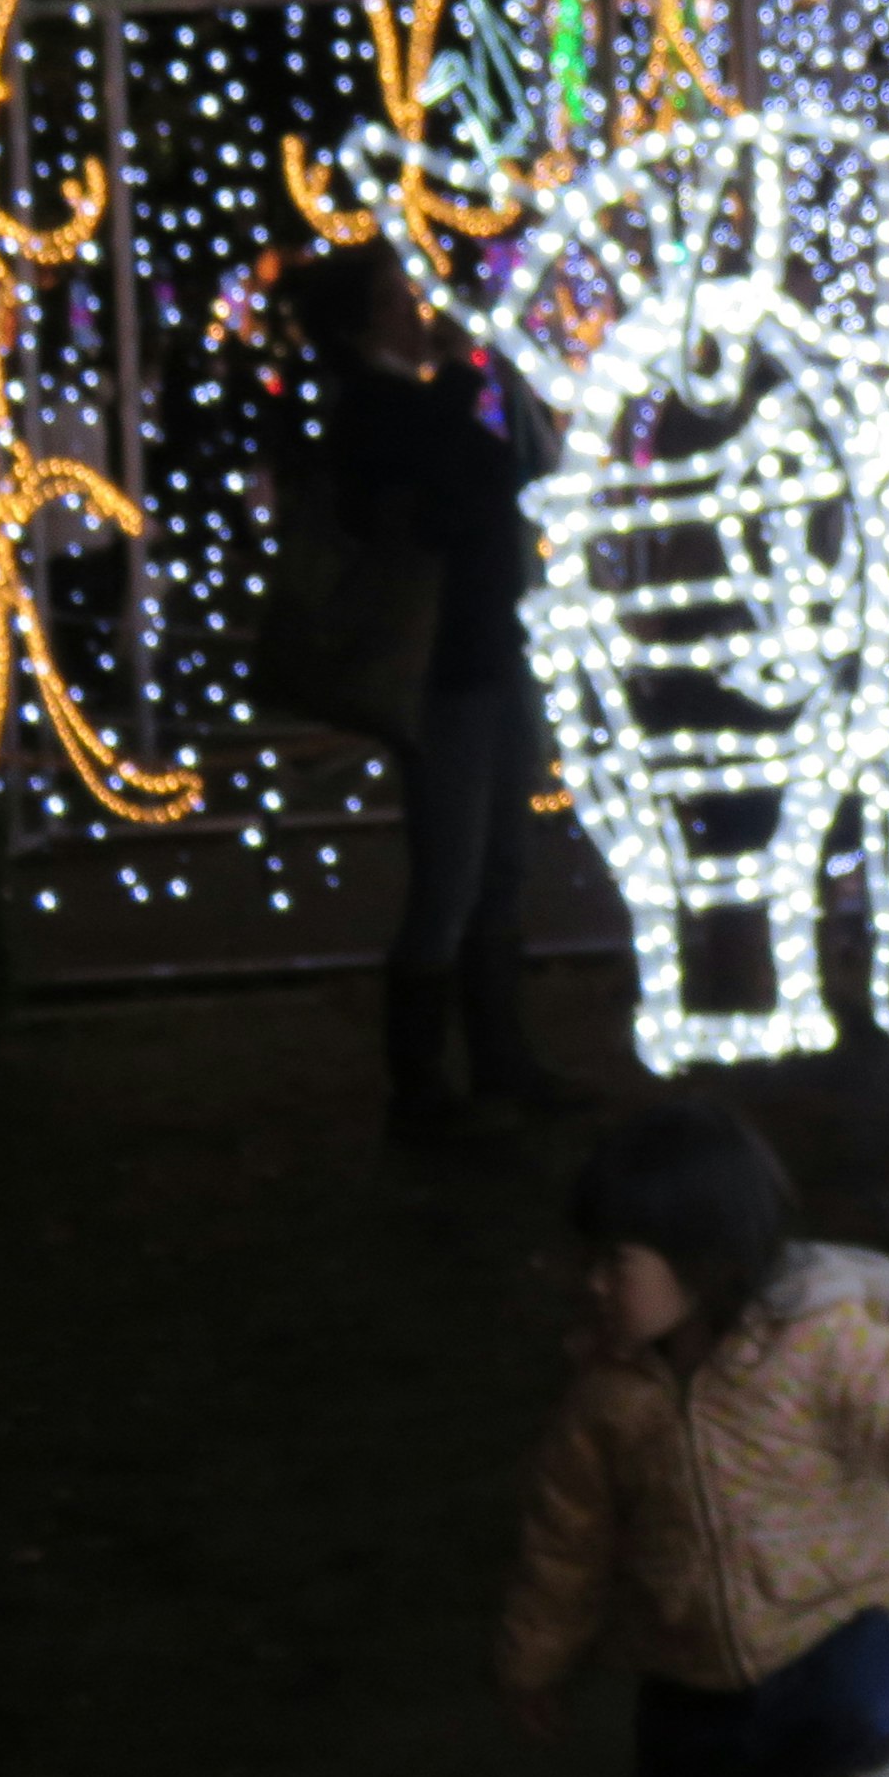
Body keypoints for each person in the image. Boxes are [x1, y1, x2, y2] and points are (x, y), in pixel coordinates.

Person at [497, 1104, 889, 1777]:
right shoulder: (605, 1399)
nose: (592, 1284)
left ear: (702, 1259)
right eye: (590, 1260)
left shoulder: (817, 1346)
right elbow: (567, 1540)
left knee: (866, 1700)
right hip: (689, 1658)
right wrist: (538, 1659)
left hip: (834, 1617)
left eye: (615, 1262)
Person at [281, 243, 586, 1139]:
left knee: (502, 864)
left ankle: (500, 1061)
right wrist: (461, 370)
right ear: (359, 322)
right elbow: (443, 485)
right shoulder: (375, 406)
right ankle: (420, 1091)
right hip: (442, 671)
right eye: (393, 300)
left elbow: (499, 474)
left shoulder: (414, 400)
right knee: (451, 876)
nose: (415, 311)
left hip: (490, 654)